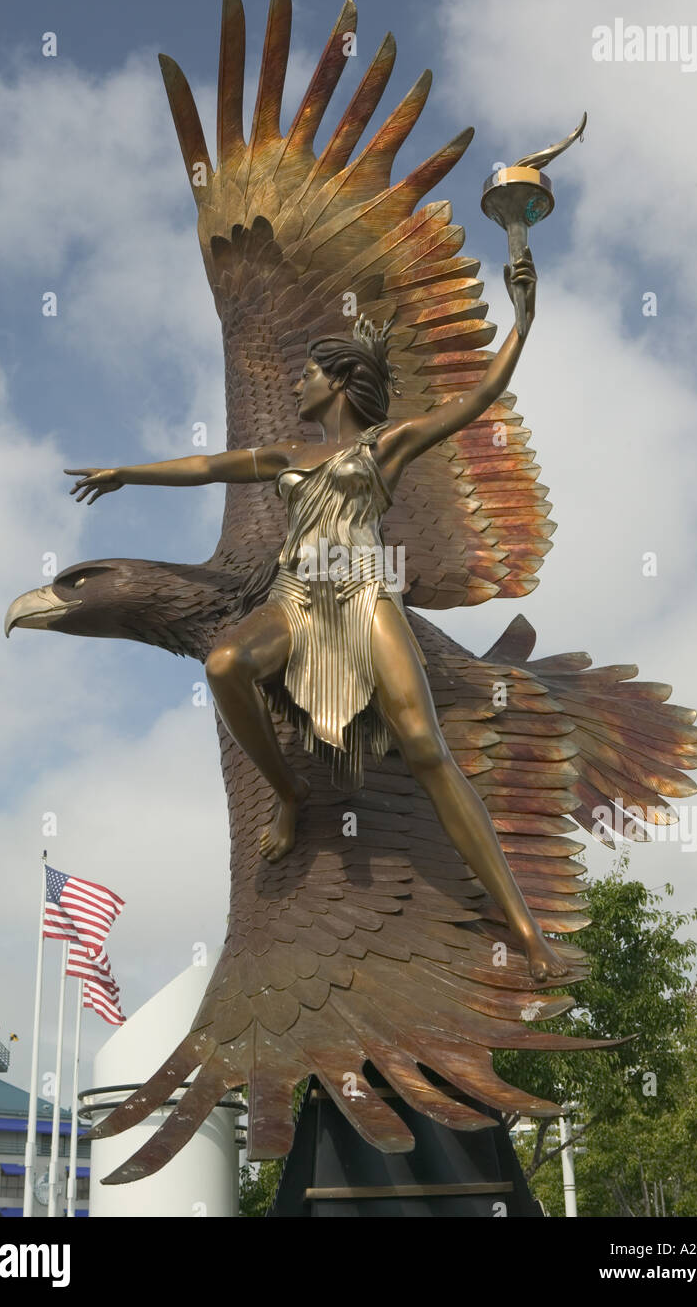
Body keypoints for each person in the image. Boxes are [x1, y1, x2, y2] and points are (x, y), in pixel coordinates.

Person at [66, 253, 567, 979]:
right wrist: (127, 472)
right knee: (225, 664)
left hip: (365, 595)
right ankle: (291, 791)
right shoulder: (287, 455)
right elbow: (209, 466)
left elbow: (481, 396)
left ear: (338, 381)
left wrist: (521, 316)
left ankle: (524, 929)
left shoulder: (384, 445)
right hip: (296, 597)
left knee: (427, 751)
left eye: (308, 373)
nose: (297, 381)